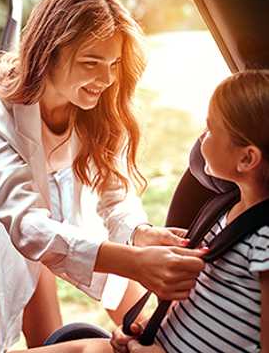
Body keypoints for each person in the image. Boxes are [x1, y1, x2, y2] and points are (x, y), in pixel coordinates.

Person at [0, 0, 206, 353]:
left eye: (113, 63)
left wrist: (139, 234)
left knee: (141, 321)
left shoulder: (98, 108)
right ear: (48, 52)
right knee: (36, 320)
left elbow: (115, 197)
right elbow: (24, 222)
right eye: (91, 63)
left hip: (41, 215)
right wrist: (132, 261)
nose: (107, 79)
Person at [106, 70, 269, 352]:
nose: (201, 138)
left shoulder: (265, 240)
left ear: (246, 158)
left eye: (210, 130)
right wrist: (148, 330)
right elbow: (201, 299)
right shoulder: (223, 209)